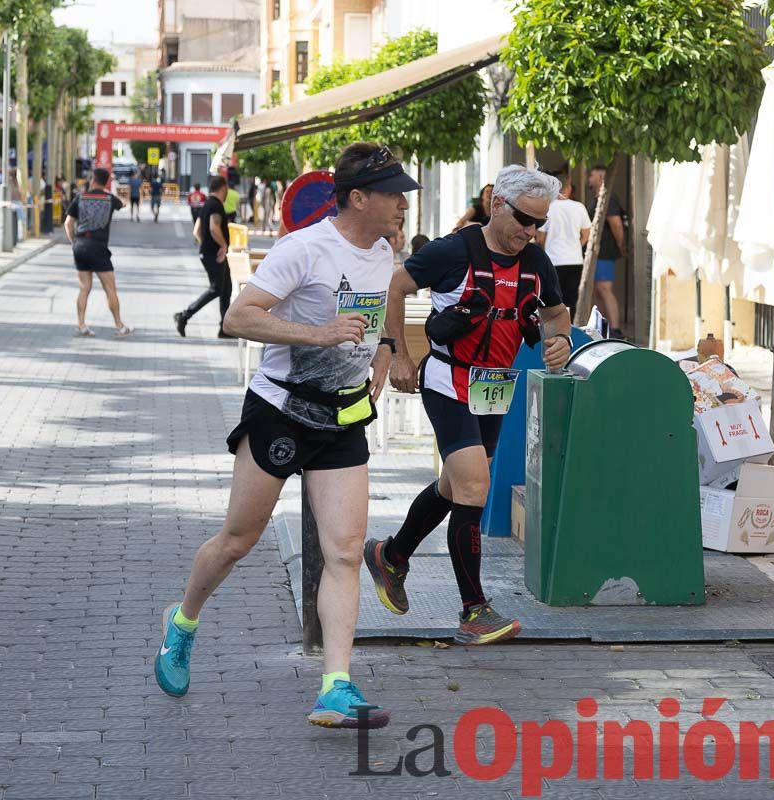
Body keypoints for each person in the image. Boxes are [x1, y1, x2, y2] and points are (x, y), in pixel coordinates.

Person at [154, 142, 420, 729]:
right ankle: (184, 622)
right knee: (237, 540)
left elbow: (381, 305)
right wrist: (320, 335)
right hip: (281, 412)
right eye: (393, 193)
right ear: (358, 197)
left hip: (344, 418)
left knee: (347, 551)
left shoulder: (382, 250)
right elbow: (238, 317)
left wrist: (383, 346)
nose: (403, 204)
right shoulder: (303, 249)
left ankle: (335, 686)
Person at [367, 166, 573, 645]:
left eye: (539, 223)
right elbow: (395, 288)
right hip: (447, 379)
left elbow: (556, 312)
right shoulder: (452, 251)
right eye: (524, 218)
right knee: (475, 486)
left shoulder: (536, 262)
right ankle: (473, 610)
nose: (530, 231)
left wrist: (558, 338)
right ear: (496, 203)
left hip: (494, 385)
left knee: (452, 485)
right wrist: (397, 351)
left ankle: (391, 556)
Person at [63, 167, 133, 337]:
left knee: (84, 288)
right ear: (106, 182)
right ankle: (119, 326)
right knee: (110, 289)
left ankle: (81, 325)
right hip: (99, 247)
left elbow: (68, 223)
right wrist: (114, 191)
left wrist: (74, 242)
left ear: (92, 179)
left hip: (80, 245)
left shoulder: (80, 198)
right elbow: (124, 204)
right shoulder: (110, 199)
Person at [174, 175, 234, 339]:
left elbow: (196, 231)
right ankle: (184, 315)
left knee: (226, 289)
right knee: (216, 289)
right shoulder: (215, 205)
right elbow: (213, 228)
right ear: (223, 188)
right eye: (227, 188)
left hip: (210, 253)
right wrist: (222, 246)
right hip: (215, 255)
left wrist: (205, 245)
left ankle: (225, 328)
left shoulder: (207, 204)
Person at [535, 173, 592, 318]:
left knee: (553, 301)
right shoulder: (579, 207)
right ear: (568, 188)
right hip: (574, 260)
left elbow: (540, 237)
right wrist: (576, 246)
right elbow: (586, 234)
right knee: (571, 300)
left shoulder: (548, 208)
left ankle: (556, 331)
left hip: (553, 261)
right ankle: (570, 330)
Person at [586, 165, 626, 336]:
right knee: (597, 290)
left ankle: (615, 328)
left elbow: (616, 224)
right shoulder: (598, 198)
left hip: (606, 251)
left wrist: (620, 245)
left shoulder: (608, 198)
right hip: (597, 252)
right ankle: (605, 327)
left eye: (592, 175)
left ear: (601, 178)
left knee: (604, 288)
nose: (588, 177)